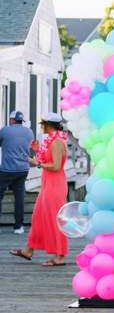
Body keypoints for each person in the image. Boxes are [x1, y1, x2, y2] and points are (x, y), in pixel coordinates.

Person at [9, 113, 67, 266]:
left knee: (56, 220)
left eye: (43, 124)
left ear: (48, 125)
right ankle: (29, 249)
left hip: (55, 185)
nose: (41, 127)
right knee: (38, 217)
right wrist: (37, 151)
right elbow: (48, 160)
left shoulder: (57, 142)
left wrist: (37, 164)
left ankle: (60, 256)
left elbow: (55, 167)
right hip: (48, 184)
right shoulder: (52, 141)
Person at [0, 111, 34, 235]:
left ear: (11, 120)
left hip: (7, 170)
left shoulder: (5, 130)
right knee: (19, 197)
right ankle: (18, 227)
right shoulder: (29, 132)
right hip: (23, 169)